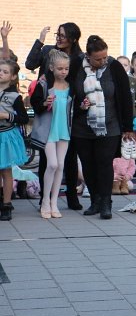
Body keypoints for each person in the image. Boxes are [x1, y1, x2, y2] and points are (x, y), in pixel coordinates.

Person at [72, 36, 135, 220]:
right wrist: (79, 106)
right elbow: (69, 93)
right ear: (88, 56)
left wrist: (128, 126)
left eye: (104, 57)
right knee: (88, 164)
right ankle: (95, 200)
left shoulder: (114, 67)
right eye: (98, 58)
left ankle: (106, 203)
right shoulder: (77, 66)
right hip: (82, 126)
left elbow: (125, 97)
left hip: (110, 125)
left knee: (104, 162)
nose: (103, 61)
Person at [26, 22, 84, 211]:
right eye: (57, 35)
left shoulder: (78, 57)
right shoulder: (49, 51)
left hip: (67, 108)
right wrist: (40, 42)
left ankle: (70, 196)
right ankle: (45, 197)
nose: (58, 38)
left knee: (68, 158)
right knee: (47, 159)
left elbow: (79, 84)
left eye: (63, 35)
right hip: (48, 107)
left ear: (73, 38)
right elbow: (29, 64)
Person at [29, 50, 72, 219]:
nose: (63, 72)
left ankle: (55, 202)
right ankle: (45, 200)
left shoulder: (71, 85)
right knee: (52, 164)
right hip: (48, 130)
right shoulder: (44, 83)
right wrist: (44, 102)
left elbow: (76, 105)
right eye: (60, 68)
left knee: (60, 165)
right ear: (52, 67)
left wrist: (84, 105)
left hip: (64, 129)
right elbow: (35, 104)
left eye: (66, 69)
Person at [0, 60, 29, 220]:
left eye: (4, 71)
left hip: (6, 135)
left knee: (6, 170)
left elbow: (24, 118)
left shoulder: (14, 96)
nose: (0, 73)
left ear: (12, 76)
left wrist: (6, 115)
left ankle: (7, 204)